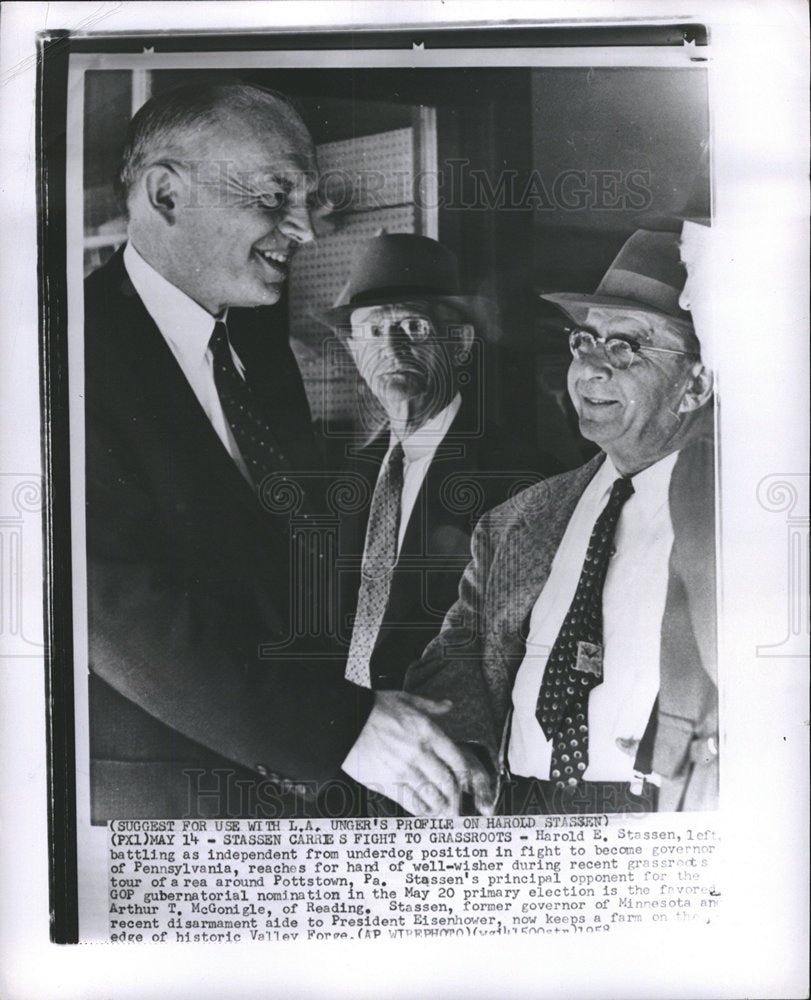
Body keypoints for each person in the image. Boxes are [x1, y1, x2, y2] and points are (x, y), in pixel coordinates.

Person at [85, 82, 489, 820]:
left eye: (305, 199)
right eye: (275, 197)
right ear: (167, 194)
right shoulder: (59, 355)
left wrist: (362, 717)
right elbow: (104, 604)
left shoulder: (254, 353)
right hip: (162, 813)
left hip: (295, 794)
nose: (302, 229)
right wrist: (341, 729)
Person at [404, 227, 718, 815]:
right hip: (518, 811)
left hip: (653, 823)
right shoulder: (518, 520)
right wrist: (461, 757)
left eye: (626, 346)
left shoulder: (728, 522)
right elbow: (459, 658)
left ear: (695, 383)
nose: (591, 370)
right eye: (584, 342)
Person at [319, 233, 561, 692]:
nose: (391, 349)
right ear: (354, 352)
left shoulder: (521, 479)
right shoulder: (347, 478)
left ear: (460, 344)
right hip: (348, 737)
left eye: (413, 328)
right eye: (372, 331)